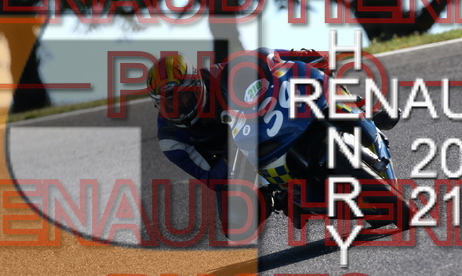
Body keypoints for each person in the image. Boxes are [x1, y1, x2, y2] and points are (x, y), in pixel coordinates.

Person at [146, 48, 397, 242]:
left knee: (318, 74)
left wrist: (312, 58)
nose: (180, 108)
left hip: (267, 122)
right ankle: (281, 196)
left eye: (184, 97)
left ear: (197, 84)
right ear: (157, 105)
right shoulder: (171, 140)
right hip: (235, 161)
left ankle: (363, 111)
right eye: (169, 104)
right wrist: (233, 159)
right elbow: (211, 177)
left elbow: (270, 59)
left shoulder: (222, 75)